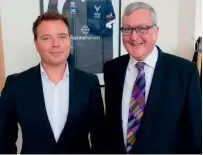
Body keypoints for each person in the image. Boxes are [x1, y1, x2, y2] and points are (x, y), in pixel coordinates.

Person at [0, 11, 106, 154]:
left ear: (70, 40)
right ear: (36, 44)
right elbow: (4, 140)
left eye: (62, 37)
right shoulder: (15, 84)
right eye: (46, 38)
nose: (56, 44)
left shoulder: (89, 83)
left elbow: (99, 138)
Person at [103, 2, 202, 154]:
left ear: (156, 31)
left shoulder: (184, 72)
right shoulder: (112, 69)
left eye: (142, 28)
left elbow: (196, 136)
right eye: (127, 29)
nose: (134, 37)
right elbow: (110, 129)